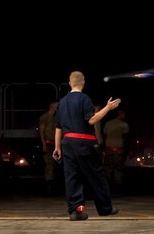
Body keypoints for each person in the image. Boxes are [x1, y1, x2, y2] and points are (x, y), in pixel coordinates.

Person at [52, 71, 121, 220]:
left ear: (70, 83)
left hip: (67, 143)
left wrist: (57, 147)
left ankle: (75, 211)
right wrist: (107, 108)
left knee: (72, 177)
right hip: (84, 142)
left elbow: (58, 128)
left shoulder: (62, 102)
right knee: (97, 176)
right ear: (83, 83)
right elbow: (91, 120)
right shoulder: (84, 99)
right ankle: (105, 208)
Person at [103, 109, 129, 191]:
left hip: (109, 148)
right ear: (120, 114)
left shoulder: (108, 123)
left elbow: (104, 135)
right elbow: (126, 137)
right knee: (119, 168)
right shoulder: (124, 125)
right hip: (119, 148)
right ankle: (118, 186)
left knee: (108, 167)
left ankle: (106, 185)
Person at [38, 101, 59, 195]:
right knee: (49, 164)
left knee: (54, 165)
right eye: (57, 105)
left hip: (55, 144)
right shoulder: (45, 117)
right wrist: (44, 144)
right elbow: (41, 131)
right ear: (52, 106)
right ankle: (48, 189)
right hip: (48, 143)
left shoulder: (55, 118)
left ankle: (53, 187)